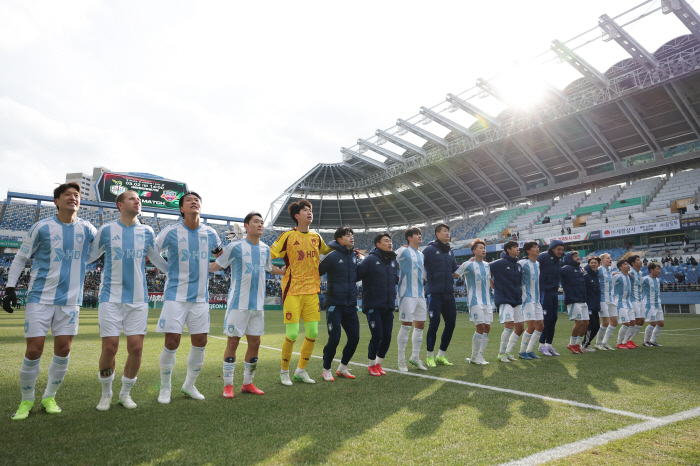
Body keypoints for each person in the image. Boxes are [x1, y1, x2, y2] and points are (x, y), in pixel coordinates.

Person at [4, 183, 97, 420]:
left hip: (70, 300)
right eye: (67, 195)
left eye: (77, 195)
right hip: (40, 297)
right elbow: (21, 257)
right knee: (34, 349)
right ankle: (26, 400)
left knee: (63, 349)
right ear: (56, 201)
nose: (73, 198)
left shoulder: (87, 229)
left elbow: (102, 248)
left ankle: (49, 396)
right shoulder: (42, 227)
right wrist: (10, 287)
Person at [87, 190, 167, 411]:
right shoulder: (106, 230)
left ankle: (125, 393)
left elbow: (157, 260)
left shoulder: (147, 231)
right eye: (132, 198)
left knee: (136, 348)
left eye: (139, 199)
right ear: (120, 205)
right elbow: (90, 256)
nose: (137, 201)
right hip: (110, 298)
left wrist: (181, 271)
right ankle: (106, 394)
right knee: (110, 348)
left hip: (138, 299)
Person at [154, 192, 222, 403]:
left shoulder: (211, 233)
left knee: (200, 341)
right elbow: (152, 251)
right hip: (176, 295)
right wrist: (167, 269)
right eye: (189, 201)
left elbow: (221, 258)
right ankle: (165, 388)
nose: (194, 202)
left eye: (197, 200)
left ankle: (189, 385)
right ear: (182, 209)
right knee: (172, 341)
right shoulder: (171, 231)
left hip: (200, 297)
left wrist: (209, 267)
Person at [209, 212, 285, 397]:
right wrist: (194, 265)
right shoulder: (235, 247)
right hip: (238, 304)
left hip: (257, 306)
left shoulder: (266, 249)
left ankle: (248, 383)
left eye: (262, 222)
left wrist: (282, 271)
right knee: (233, 342)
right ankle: (228, 385)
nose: (260, 225)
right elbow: (217, 265)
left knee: (255, 342)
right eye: (256, 222)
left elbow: (269, 267)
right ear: (246, 225)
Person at [270, 199, 332, 385]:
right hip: (293, 291)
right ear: (297, 216)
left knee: (312, 333)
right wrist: (278, 270)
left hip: (312, 291)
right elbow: (268, 256)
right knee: (293, 334)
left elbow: (328, 252)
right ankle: (284, 371)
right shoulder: (287, 236)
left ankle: (301, 371)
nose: (309, 213)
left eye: (310, 210)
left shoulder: (316, 237)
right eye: (306, 210)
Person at [318, 227, 360, 381]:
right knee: (334, 339)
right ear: (339, 240)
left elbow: (358, 274)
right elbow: (317, 271)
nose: (351, 237)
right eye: (347, 235)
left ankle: (342, 367)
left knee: (354, 338)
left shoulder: (354, 256)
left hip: (350, 305)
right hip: (334, 304)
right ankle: (326, 369)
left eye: (352, 235)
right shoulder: (332, 256)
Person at [357, 233, 398, 376]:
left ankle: (378, 363)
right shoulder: (369, 260)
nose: (390, 243)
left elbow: (394, 280)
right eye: (386, 241)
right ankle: (371, 364)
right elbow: (356, 275)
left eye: (390, 241)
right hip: (373, 304)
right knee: (377, 335)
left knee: (387, 336)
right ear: (378, 245)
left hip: (388, 305)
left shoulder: (393, 261)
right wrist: (354, 261)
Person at [423, 223, 459, 367]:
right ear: (437, 234)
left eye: (448, 231)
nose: (447, 233)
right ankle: (429, 356)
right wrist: (428, 279)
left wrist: (468, 266)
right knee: (434, 324)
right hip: (434, 293)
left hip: (448, 293)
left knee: (451, 324)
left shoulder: (450, 251)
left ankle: (441, 355)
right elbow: (419, 264)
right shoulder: (429, 250)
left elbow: (455, 271)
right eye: (444, 231)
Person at [395, 227, 428, 372]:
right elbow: (389, 258)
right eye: (416, 234)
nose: (419, 236)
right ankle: (401, 360)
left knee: (420, 325)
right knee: (406, 325)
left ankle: (415, 357)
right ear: (409, 237)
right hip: (406, 293)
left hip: (420, 294)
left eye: (420, 234)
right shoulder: (402, 251)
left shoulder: (421, 255)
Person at [456, 239, 493, 365]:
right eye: (480, 248)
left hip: (487, 301)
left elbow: (490, 281)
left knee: (487, 327)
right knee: (480, 327)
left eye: (484, 248)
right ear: (474, 251)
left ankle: (480, 356)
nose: (483, 250)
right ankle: (473, 357)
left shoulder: (488, 265)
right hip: (475, 300)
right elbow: (454, 275)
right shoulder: (468, 264)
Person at [490, 241, 523, 363]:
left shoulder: (518, 265)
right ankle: (501, 354)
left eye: (517, 247)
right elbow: (485, 269)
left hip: (517, 299)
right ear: (508, 250)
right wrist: (493, 285)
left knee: (520, 328)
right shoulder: (500, 263)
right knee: (509, 327)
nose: (517, 249)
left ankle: (508, 352)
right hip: (504, 298)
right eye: (515, 247)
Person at [537, 240, 565, 356]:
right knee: (546, 319)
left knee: (554, 319)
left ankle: (549, 345)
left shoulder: (559, 260)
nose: (561, 252)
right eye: (558, 249)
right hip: (544, 292)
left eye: (562, 249)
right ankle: (541, 345)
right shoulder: (543, 257)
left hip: (554, 292)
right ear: (552, 248)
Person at [517, 241, 544, 360]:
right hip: (526, 299)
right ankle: (522, 352)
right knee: (531, 326)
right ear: (528, 251)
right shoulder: (522, 263)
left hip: (536, 300)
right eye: (534, 247)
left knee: (541, 326)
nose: (537, 249)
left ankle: (529, 350)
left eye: (538, 247)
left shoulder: (537, 263)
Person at [560, 251, 589, 354]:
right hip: (573, 300)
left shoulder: (580, 269)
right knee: (579, 322)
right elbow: (557, 272)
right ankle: (571, 344)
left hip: (582, 299)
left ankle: (577, 344)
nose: (578, 258)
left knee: (586, 323)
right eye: (575, 256)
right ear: (569, 259)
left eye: (578, 256)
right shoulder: (566, 268)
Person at [595, 253, 618, 351]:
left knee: (615, 322)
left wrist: (614, 274)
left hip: (611, 299)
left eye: (611, 258)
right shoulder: (599, 270)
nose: (610, 259)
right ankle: (598, 343)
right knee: (605, 322)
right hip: (602, 299)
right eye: (608, 258)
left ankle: (605, 342)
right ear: (602, 260)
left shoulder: (609, 270)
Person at [613, 259, 635, 349]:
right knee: (625, 323)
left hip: (628, 303)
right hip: (620, 303)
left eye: (628, 264)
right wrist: (612, 273)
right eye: (625, 264)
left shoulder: (627, 276)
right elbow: (608, 282)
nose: (628, 265)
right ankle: (619, 343)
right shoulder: (617, 276)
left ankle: (625, 342)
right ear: (620, 267)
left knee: (632, 323)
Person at [641, 263, 664, 347]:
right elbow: (636, 284)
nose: (659, 271)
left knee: (661, 323)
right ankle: (645, 341)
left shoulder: (658, 280)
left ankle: (652, 341)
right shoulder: (645, 279)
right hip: (649, 304)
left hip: (658, 303)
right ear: (651, 270)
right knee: (653, 323)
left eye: (659, 269)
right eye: (657, 269)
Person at [581, 256, 601, 352]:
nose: (593, 264)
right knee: (591, 324)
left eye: (595, 263)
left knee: (597, 326)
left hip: (595, 305)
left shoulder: (597, 276)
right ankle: (584, 345)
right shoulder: (586, 276)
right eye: (591, 263)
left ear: (599, 264)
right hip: (588, 305)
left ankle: (586, 344)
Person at [626, 255, 645, 348]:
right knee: (635, 320)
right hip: (632, 299)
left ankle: (630, 339)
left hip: (640, 299)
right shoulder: (630, 272)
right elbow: (620, 274)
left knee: (642, 321)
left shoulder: (640, 273)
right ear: (633, 263)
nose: (640, 261)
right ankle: (625, 341)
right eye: (638, 260)